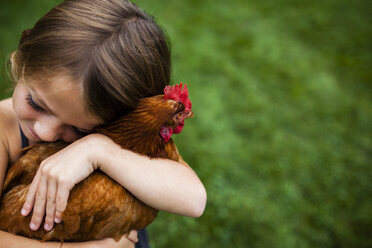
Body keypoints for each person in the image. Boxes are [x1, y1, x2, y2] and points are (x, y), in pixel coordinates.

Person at [0, 0, 207, 247]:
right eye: (35, 103)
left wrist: (98, 149)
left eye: (79, 129)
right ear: (20, 62)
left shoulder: (116, 135)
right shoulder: (3, 130)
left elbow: (194, 200)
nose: (45, 132)